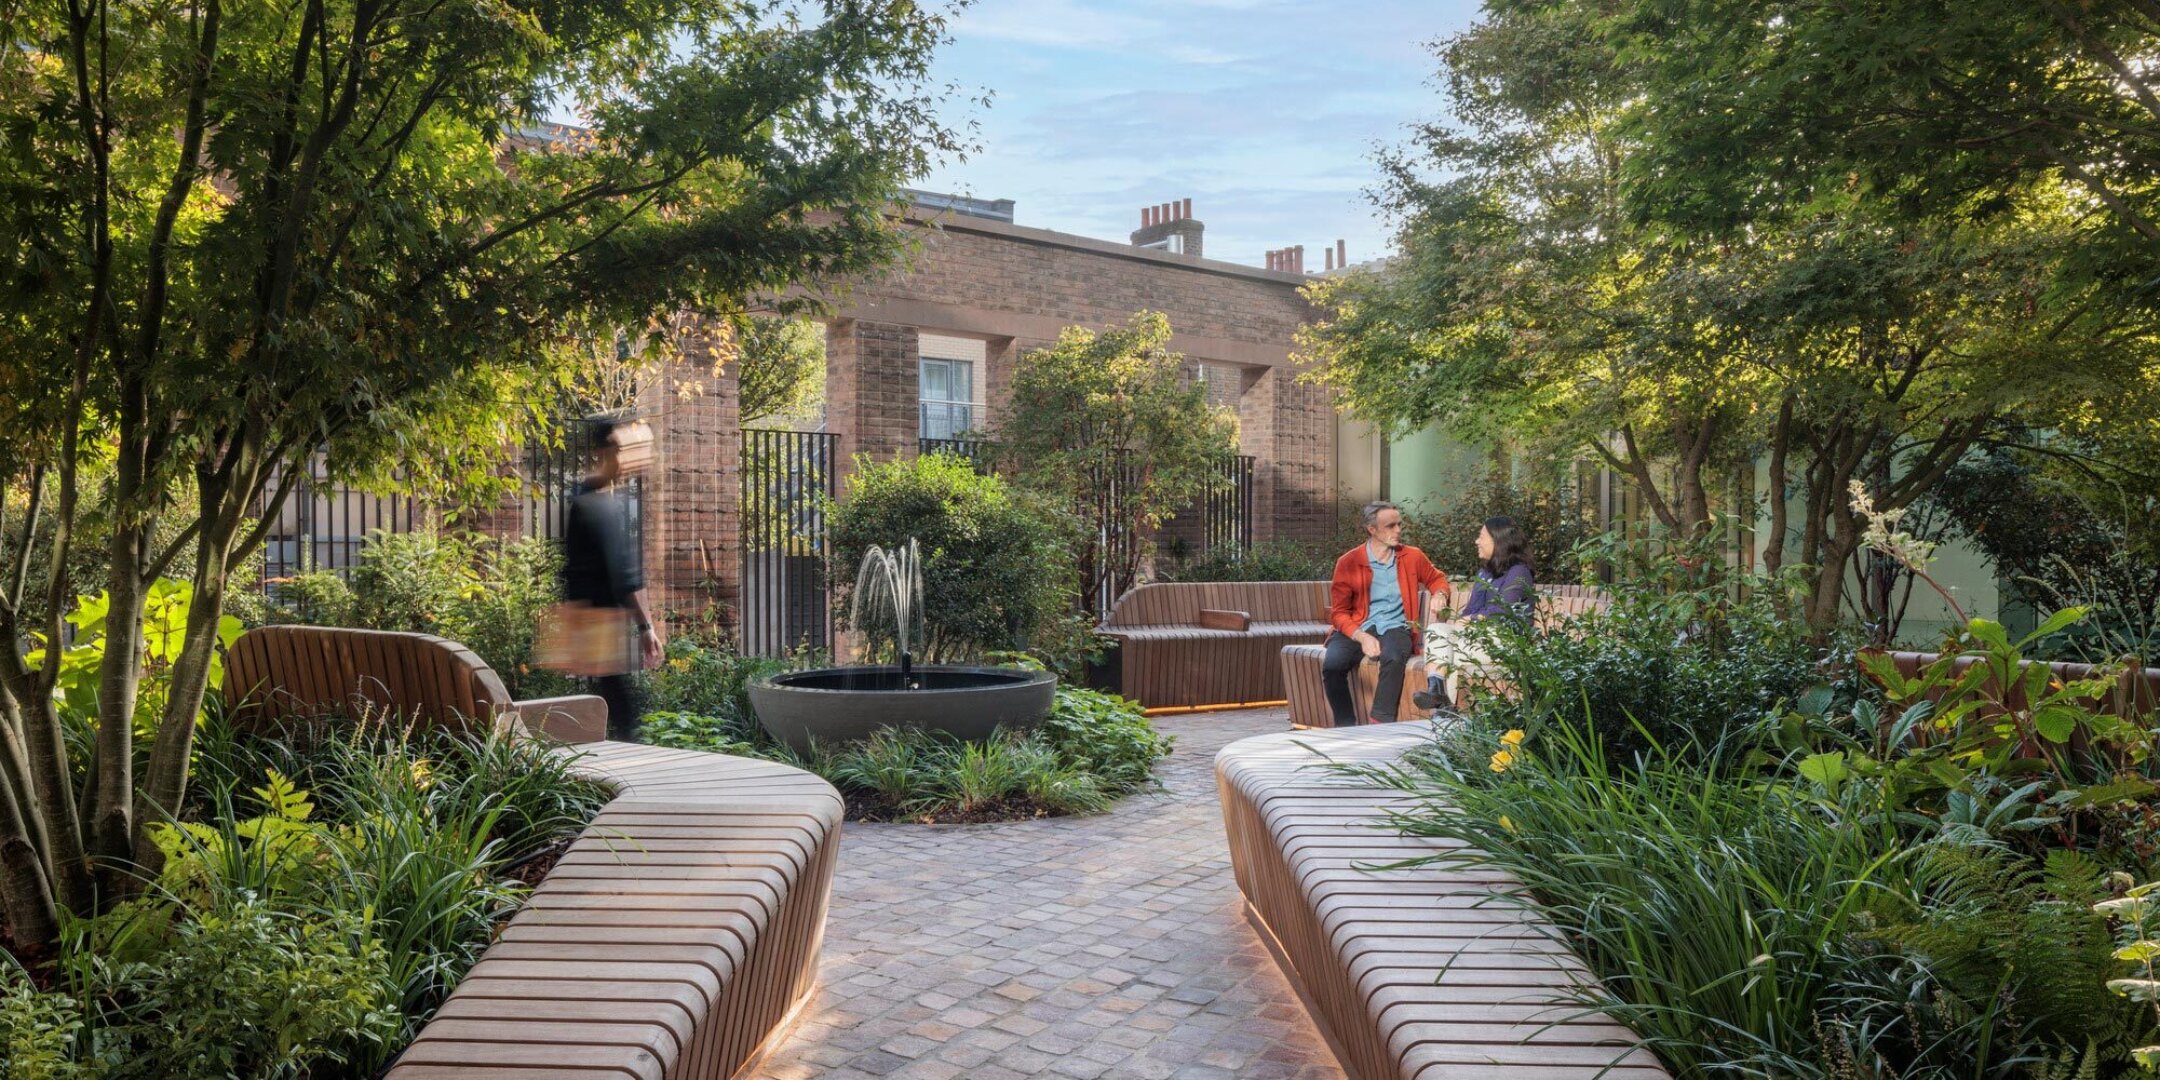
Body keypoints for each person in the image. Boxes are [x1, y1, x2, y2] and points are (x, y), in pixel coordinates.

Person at [560, 415, 663, 741]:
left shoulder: (601, 500)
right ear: (604, 452)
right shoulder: (591, 502)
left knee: (615, 708)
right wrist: (644, 627)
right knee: (618, 711)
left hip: (602, 620)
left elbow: (626, 571)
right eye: (621, 448)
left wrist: (646, 627)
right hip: (596, 621)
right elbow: (614, 572)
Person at [1324, 501, 1451, 726]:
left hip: (1396, 626)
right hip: (1358, 626)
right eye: (1390, 526)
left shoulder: (1412, 556)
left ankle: (1380, 723)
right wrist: (1362, 637)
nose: (1398, 530)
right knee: (1332, 665)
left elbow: (1436, 578)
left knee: (1393, 657)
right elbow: (1339, 613)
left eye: (1399, 524)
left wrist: (1440, 594)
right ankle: (1344, 725)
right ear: (1372, 530)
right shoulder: (1349, 562)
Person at [1413, 516, 1534, 712]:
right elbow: (1471, 609)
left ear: (1498, 540)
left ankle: (1443, 708)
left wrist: (1473, 619)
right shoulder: (1484, 573)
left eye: (1481, 536)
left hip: (1508, 642)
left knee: (1447, 650)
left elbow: (1504, 610)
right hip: (1479, 639)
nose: (1477, 541)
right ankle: (1437, 691)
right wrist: (1464, 620)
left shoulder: (1519, 571)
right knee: (1437, 631)